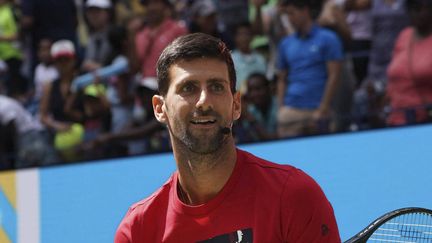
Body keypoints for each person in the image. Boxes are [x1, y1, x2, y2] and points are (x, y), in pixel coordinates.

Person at [115, 33, 340, 242]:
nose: (204, 101)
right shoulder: (137, 230)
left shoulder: (293, 196)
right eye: (188, 88)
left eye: (216, 87)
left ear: (236, 105)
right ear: (159, 108)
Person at [276, 0, 343, 138]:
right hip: (292, 109)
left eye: (292, 13)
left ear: (304, 11)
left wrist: (323, 108)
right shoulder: (285, 43)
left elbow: (334, 76)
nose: (289, 18)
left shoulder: (328, 39)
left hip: (318, 109)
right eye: (287, 14)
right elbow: (282, 79)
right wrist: (281, 107)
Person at [386, 0, 432, 126]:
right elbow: (393, 75)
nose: (419, 13)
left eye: (424, 8)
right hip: (397, 120)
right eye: (414, 8)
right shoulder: (404, 35)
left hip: (426, 121)